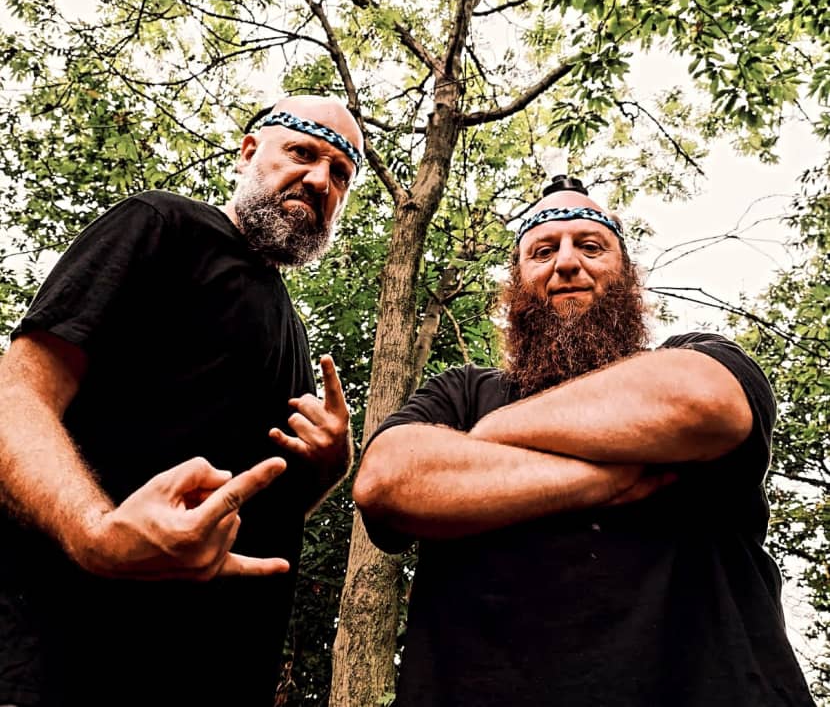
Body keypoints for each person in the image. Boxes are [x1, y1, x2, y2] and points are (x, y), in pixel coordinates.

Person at [353, 176, 817, 707]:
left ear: (627, 275)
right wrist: (604, 479)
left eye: (591, 247)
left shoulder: (691, 356)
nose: (567, 263)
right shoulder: (463, 392)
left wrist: (485, 439)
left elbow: (704, 402)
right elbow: (386, 480)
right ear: (517, 281)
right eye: (543, 251)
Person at [0, 95, 364, 707]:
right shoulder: (161, 225)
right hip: (69, 660)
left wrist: (330, 467)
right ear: (248, 152)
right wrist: (96, 533)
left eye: (341, 174)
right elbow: (17, 396)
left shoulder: (294, 334)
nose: (320, 180)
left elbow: (248, 510)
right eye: (302, 152)